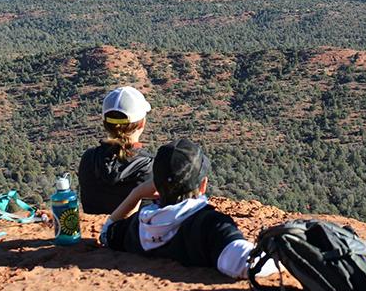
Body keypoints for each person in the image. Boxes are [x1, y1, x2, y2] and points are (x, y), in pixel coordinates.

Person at [99, 138, 277, 279]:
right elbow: (248, 265)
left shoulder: (139, 225)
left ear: (156, 186)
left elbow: (106, 234)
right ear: (203, 185)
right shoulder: (209, 225)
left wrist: (136, 194)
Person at [78, 86, 155, 214]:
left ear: (104, 123)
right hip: (134, 233)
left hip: (94, 231)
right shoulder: (150, 166)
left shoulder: (89, 158)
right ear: (142, 123)